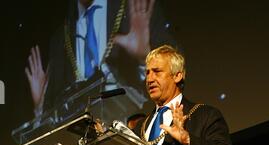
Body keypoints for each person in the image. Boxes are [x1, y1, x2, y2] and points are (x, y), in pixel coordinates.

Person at [25, 0, 177, 119]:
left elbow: (177, 76)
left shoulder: (136, 9)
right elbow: (54, 118)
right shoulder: (60, 40)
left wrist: (144, 58)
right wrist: (41, 107)